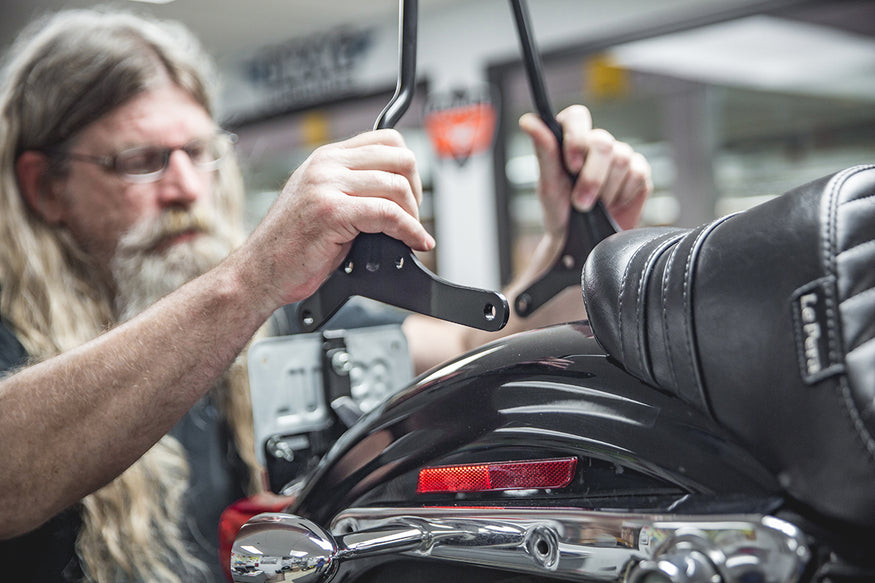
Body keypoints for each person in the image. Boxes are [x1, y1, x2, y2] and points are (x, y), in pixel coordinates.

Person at [0, 7, 651, 583]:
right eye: (142, 160)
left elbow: (469, 344)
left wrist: (574, 254)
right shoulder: (18, 330)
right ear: (45, 187)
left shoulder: (273, 320)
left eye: (198, 152)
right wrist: (252, 275)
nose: (186, 188)